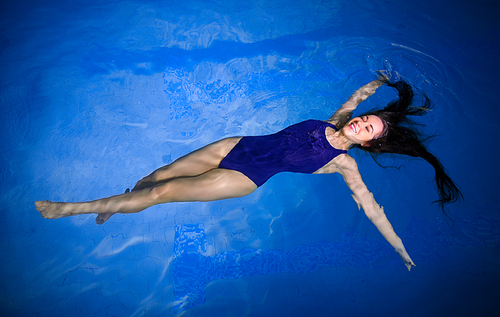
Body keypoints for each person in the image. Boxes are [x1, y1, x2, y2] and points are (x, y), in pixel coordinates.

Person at [35, 73, 462, 270]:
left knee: (161, 195)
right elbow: (355, 96)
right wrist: (377, 84)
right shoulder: (336, 119)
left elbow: (372, 209)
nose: (359, 122)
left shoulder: (343, 163)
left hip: (243, 178)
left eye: (366, 128)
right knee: (158, 176)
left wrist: (400, 248)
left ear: (368, 143)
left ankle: (73, 207)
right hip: (234, 146)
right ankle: (120, 204)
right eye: (364, 118)